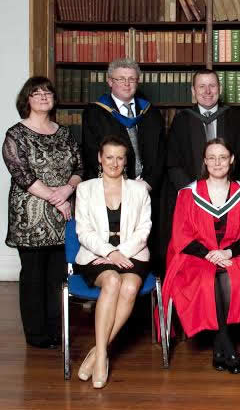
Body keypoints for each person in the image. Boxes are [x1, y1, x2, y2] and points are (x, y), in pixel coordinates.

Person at [162, 139, 240, 374]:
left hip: (235, 255)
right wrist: (208, 254)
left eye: (223, 157)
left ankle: (220, 346)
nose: (217, 163)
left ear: (231, 160)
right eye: (212, 157)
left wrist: (227, 252)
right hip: (196, 256)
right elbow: (181, 235)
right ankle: (227, 345)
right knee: (206, 279)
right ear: (205, 161)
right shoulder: (188, 194)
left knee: (230, 277)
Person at [2, 77, 82, 348]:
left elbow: (80, 168)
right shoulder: (16, 134)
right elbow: (21, 174)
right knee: (34, 276)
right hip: (31, 215)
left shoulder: (64, 132)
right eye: (36, 93)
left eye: (47, 92)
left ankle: (56, 330)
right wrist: (57, 198)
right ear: (26, 100)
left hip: (62, 214)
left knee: (58, 275)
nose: (43, 96)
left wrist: (68, 190)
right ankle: (36, 335)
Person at [73, 136, 152, 389]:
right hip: (95, 254)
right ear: (100, 158)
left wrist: (121, 252)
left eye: (120, 158)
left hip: (133, 253)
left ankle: (98, 353)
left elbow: (144, 229)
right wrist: (110, 253)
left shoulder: (139, 189)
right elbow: (83, 232)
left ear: (126, 160)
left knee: (129, 286)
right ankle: (102, 357)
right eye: (109, 157)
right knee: (113, 281)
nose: (114, 163)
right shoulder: (85, 189)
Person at [165, 70, 240, 249]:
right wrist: (193, 193)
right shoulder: (182, 120)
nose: (207, 91)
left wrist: (235, 192)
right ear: (193, 91)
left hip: (231, 200)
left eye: (212, 85)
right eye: (201, 86)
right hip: (195, 201)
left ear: (220, 88)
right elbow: (173, 163)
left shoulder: (236, 117)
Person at [82, 58, 165, 267]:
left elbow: (161, 153)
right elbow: (92, 152)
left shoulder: (151, 113)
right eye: (121, 79)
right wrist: (123, 186)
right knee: (115, 244)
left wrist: (148, 183)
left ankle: (144, 287)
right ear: (110, 81)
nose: (127, 84)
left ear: (138, 81)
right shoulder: (95, 113)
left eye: (131, 79)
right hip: (113, 191)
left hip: (148, 189)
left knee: (147, 246)